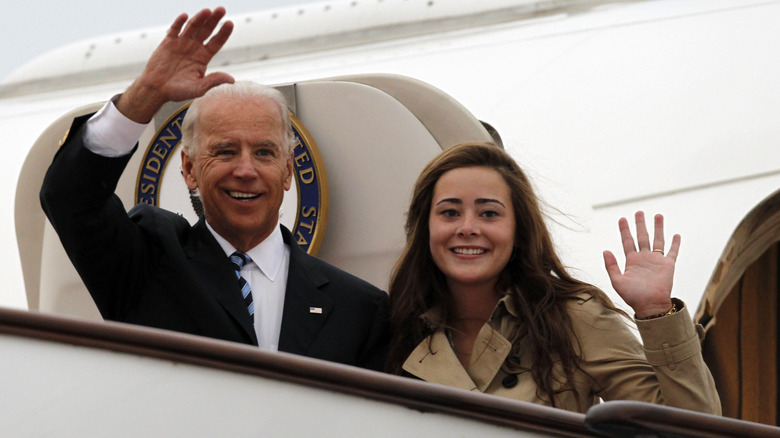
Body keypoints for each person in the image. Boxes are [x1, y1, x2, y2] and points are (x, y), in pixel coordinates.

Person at [39, 8, 388, 371]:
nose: (245, 170)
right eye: (225, 151)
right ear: (189, 170)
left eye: (264, 153)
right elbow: (70, 197)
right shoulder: (148, 265)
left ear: (287, 171)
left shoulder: (359, 308)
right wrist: (145, 95)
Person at [385, 142, 721, 414]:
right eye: (449, 212)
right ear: (425, 227)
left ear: (519, 229)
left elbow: (695, 428)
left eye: (489, 213)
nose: (468, 227)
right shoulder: (393, 327)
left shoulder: (574, 317)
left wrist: (656, 313)